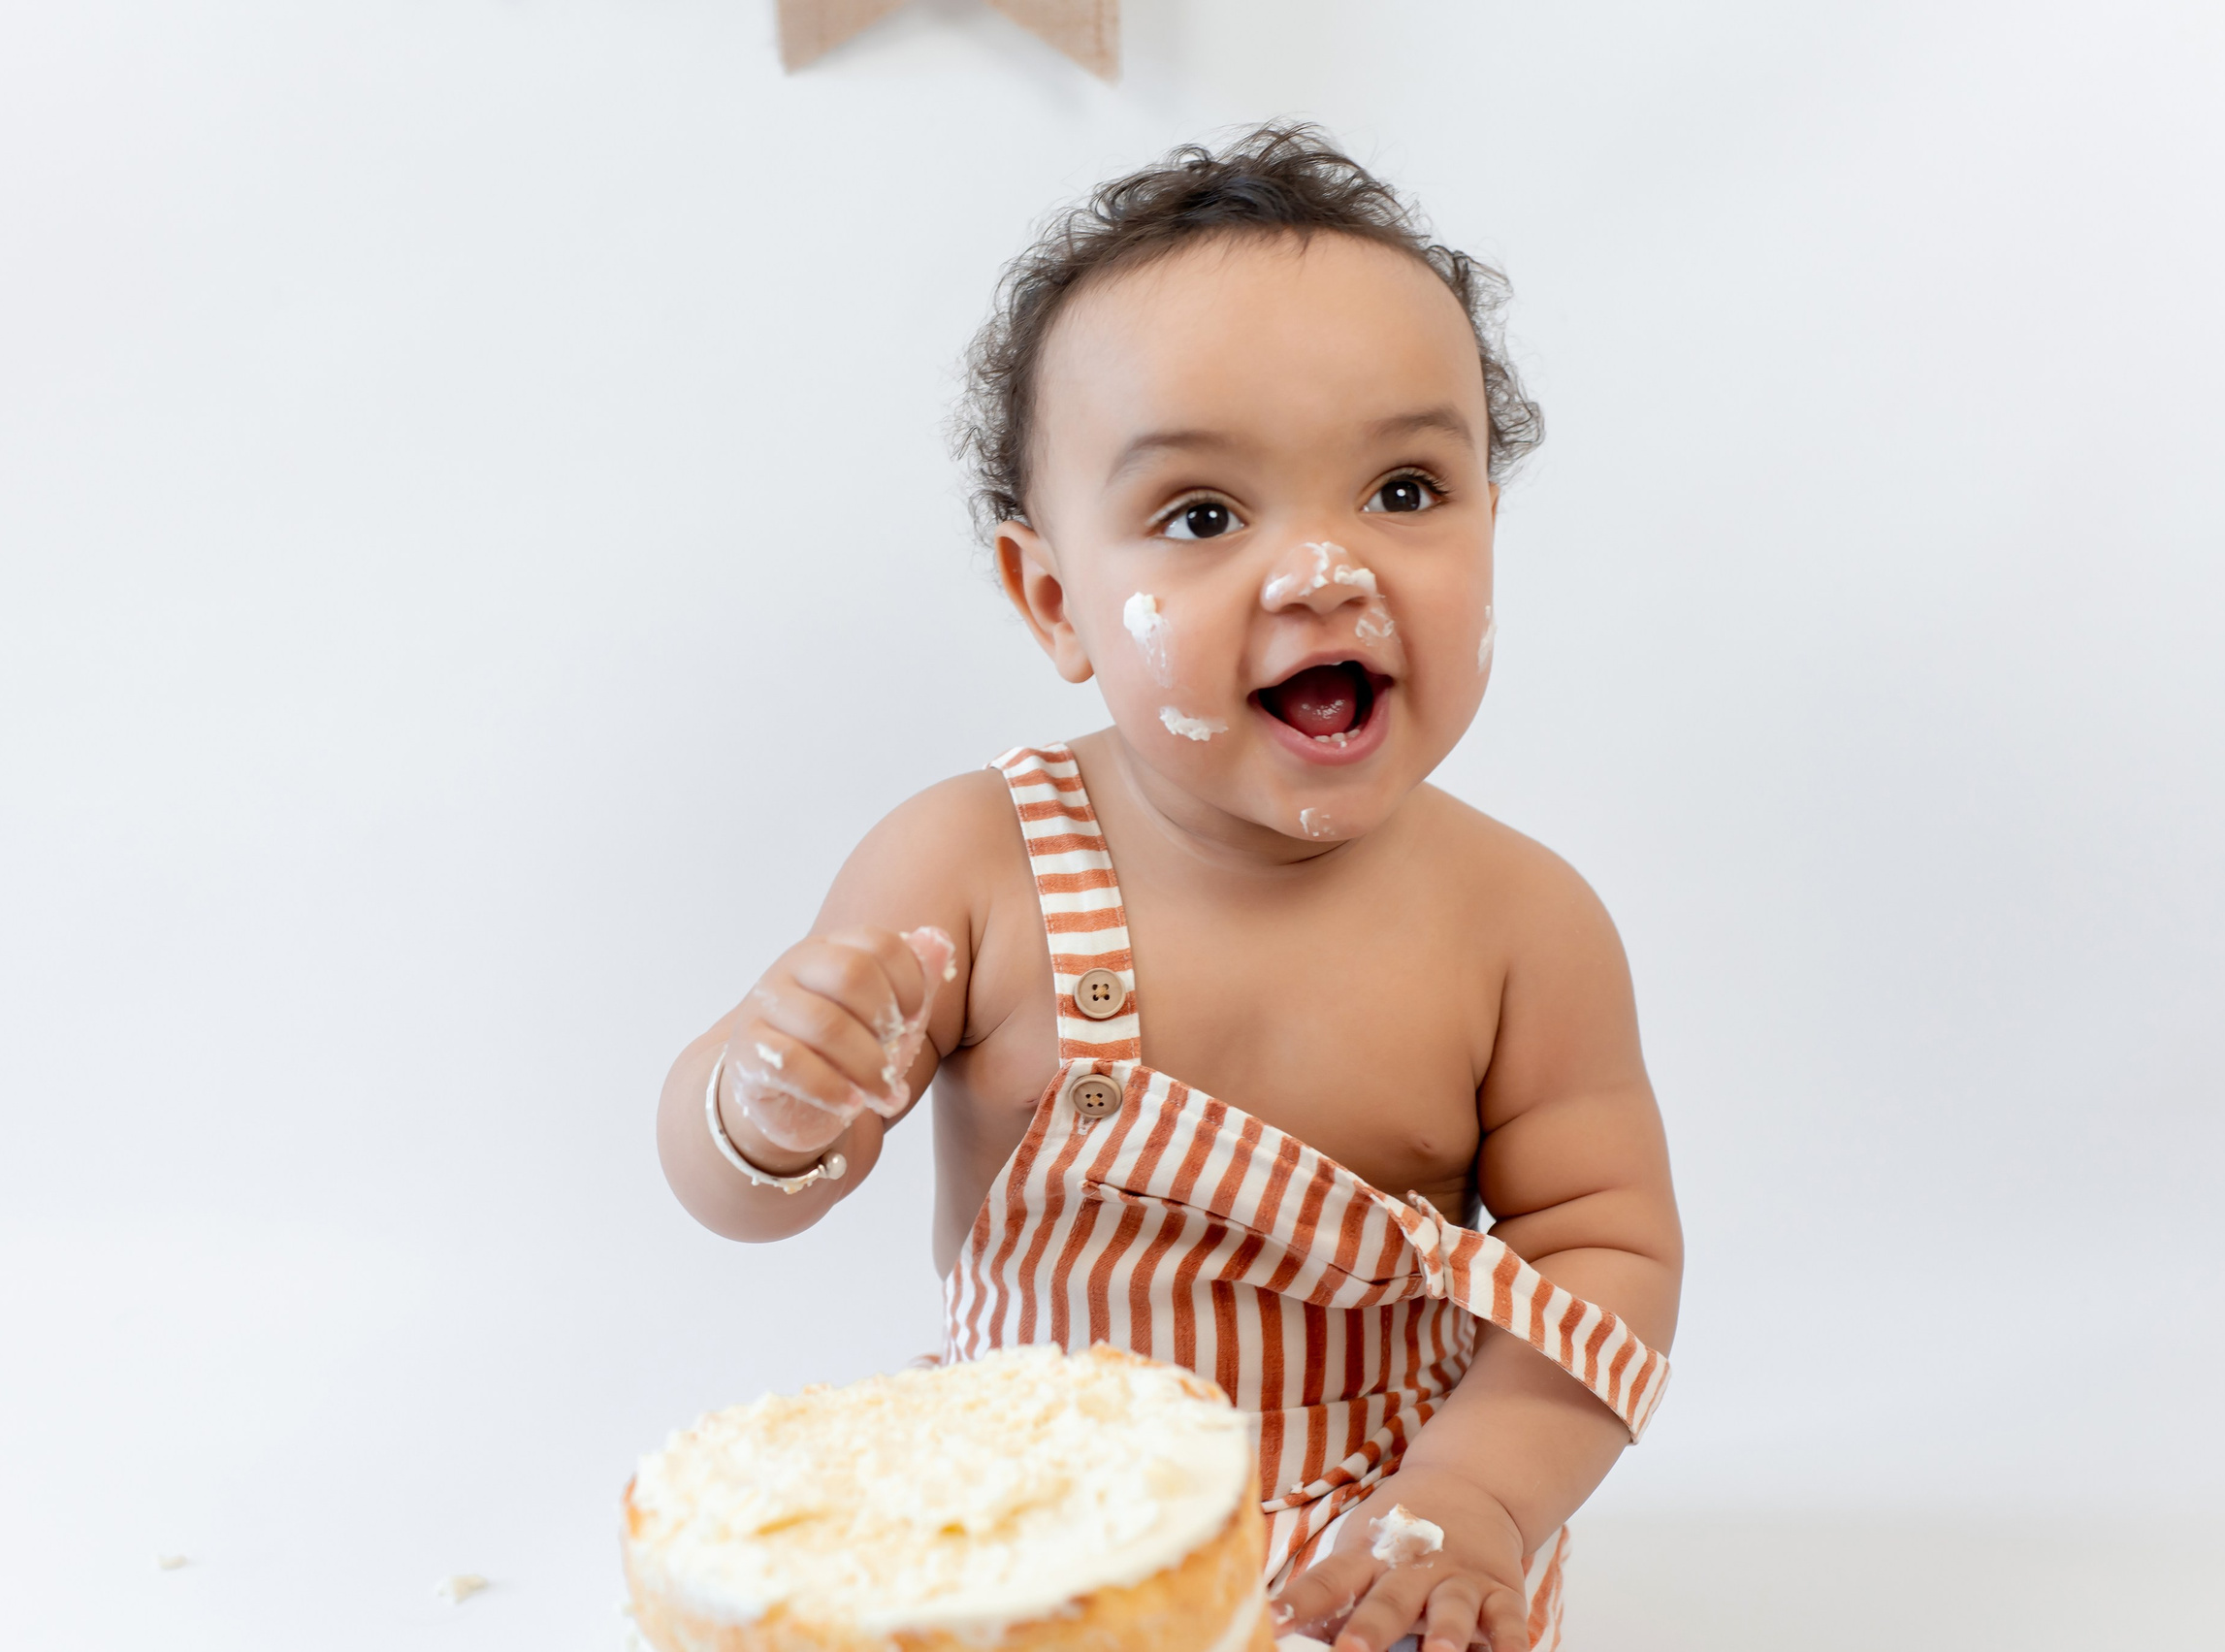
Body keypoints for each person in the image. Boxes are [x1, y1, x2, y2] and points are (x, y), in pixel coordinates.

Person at [657, 123, 1683, 1652]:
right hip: (1030, 1513)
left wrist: (1478, 1501)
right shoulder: (973, 866)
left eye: (1405, 491)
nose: (1325, 571)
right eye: (1206, 518)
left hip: (1377, 1520)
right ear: (1056, 600)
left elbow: (1603, 1257)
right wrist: (765, 1105)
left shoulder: (1523, 926)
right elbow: (733, 1200)